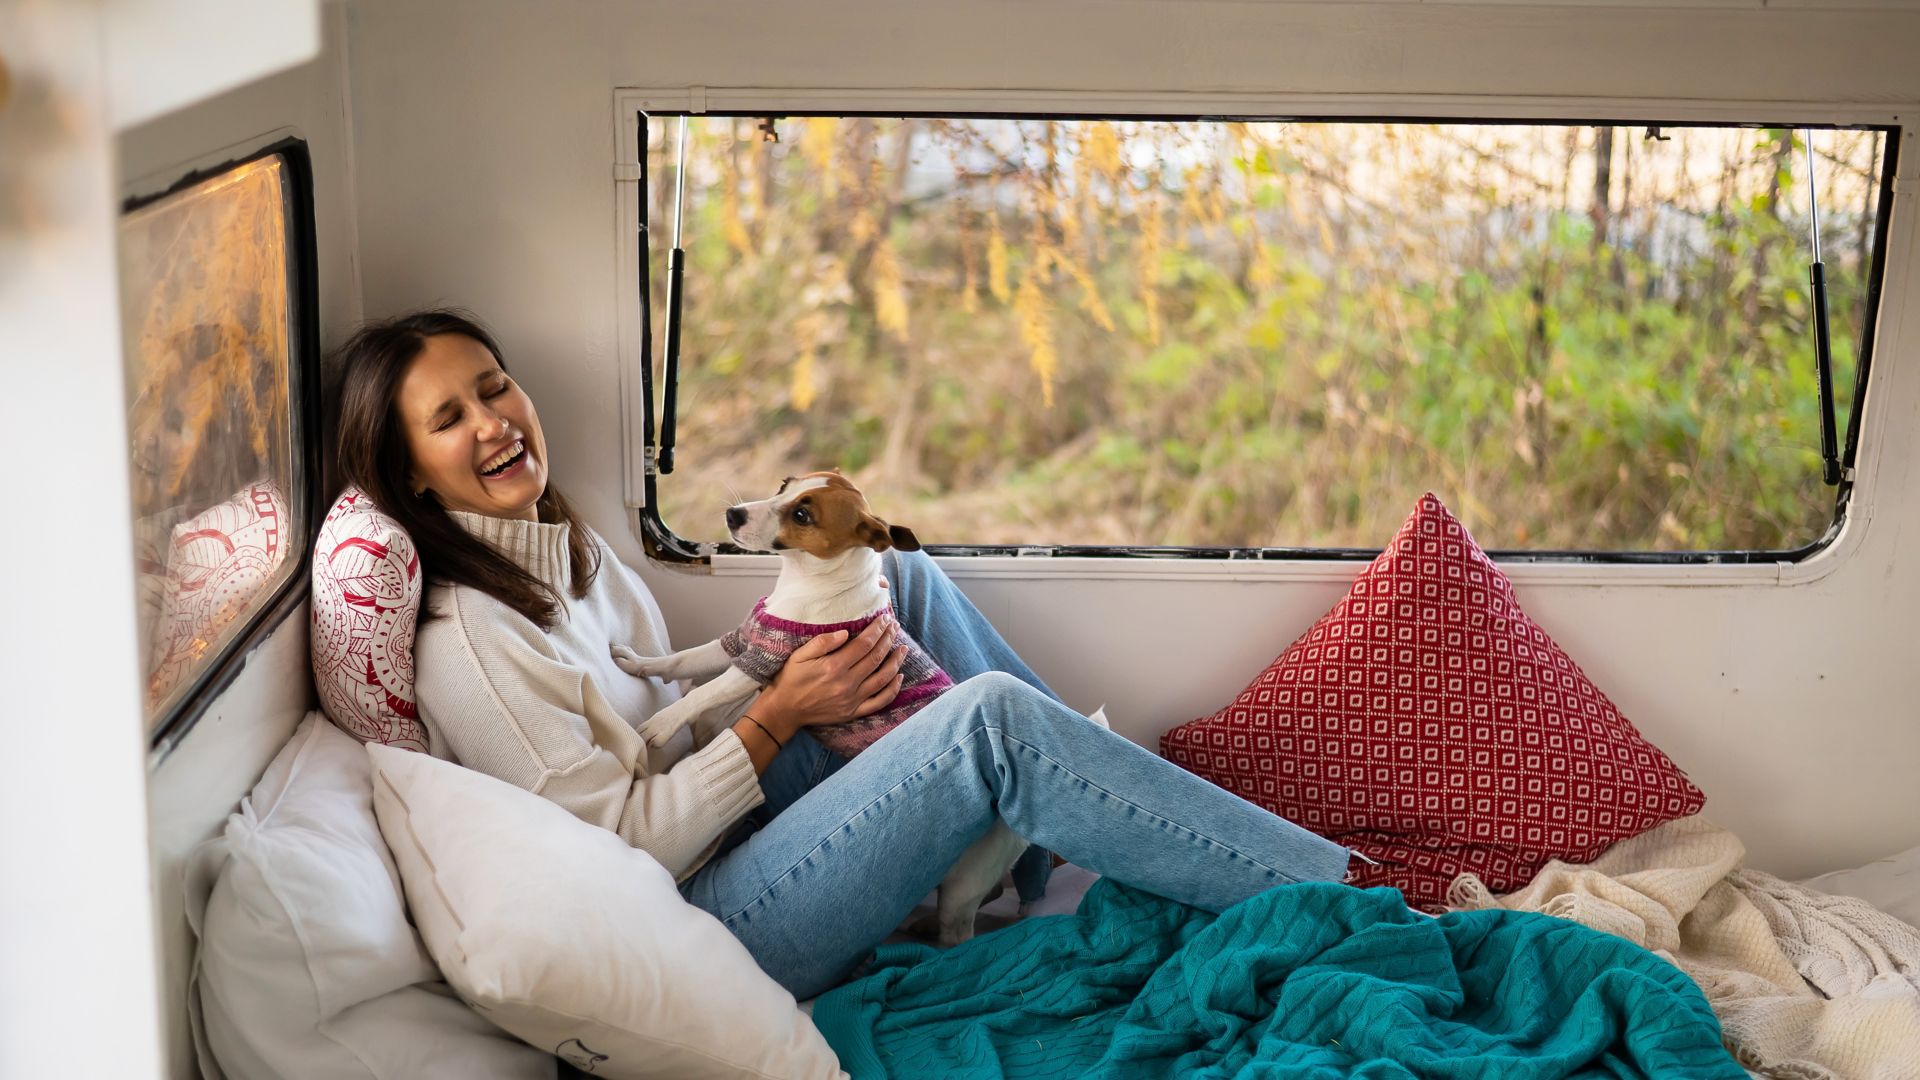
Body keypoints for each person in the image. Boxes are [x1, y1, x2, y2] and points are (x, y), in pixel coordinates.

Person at [331, 309, 1351, 1000]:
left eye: (495, 388)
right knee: (989, 720)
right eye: (450, 418)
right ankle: (1342, 895)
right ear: (409, 472)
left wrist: (780, 704)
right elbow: (625, 852)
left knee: (896, 579)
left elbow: (669, 732)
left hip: (727, 828)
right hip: (703, 915)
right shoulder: (472, 645)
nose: (495, 423)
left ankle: (1064, 837)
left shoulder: (570, 551)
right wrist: (779, 718)